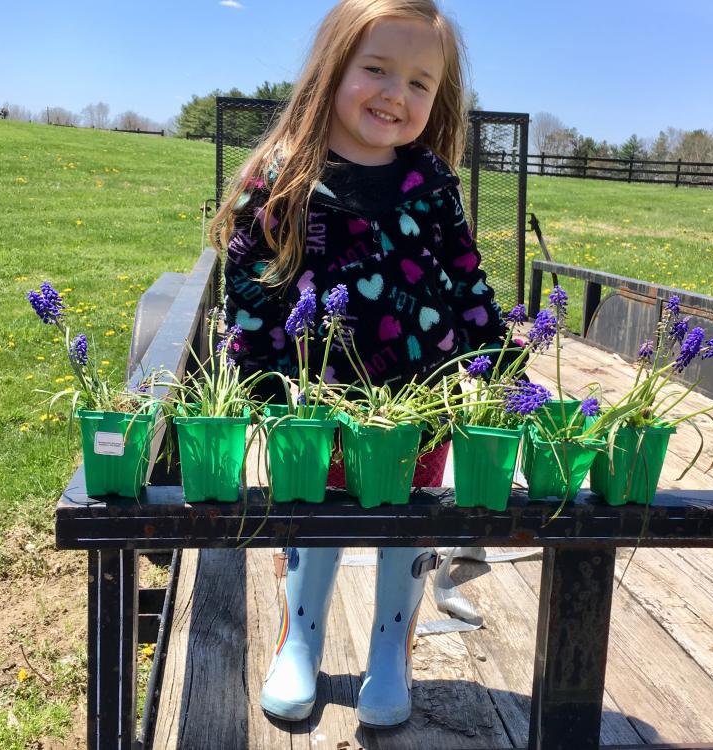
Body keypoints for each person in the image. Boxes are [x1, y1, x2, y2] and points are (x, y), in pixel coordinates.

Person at [211, 0, 508, 728]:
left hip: (422, 398)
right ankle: (301, 643)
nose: (395, 95)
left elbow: (465, 275)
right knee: (316, 517)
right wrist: (257, 375)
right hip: (318, 398)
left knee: (409, 524)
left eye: (419, 83)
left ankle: (388, 655)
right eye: (376, 69)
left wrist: (496, 361)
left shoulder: (432, 181)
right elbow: (248, 283)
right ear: (332, 70)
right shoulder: (281, 176)